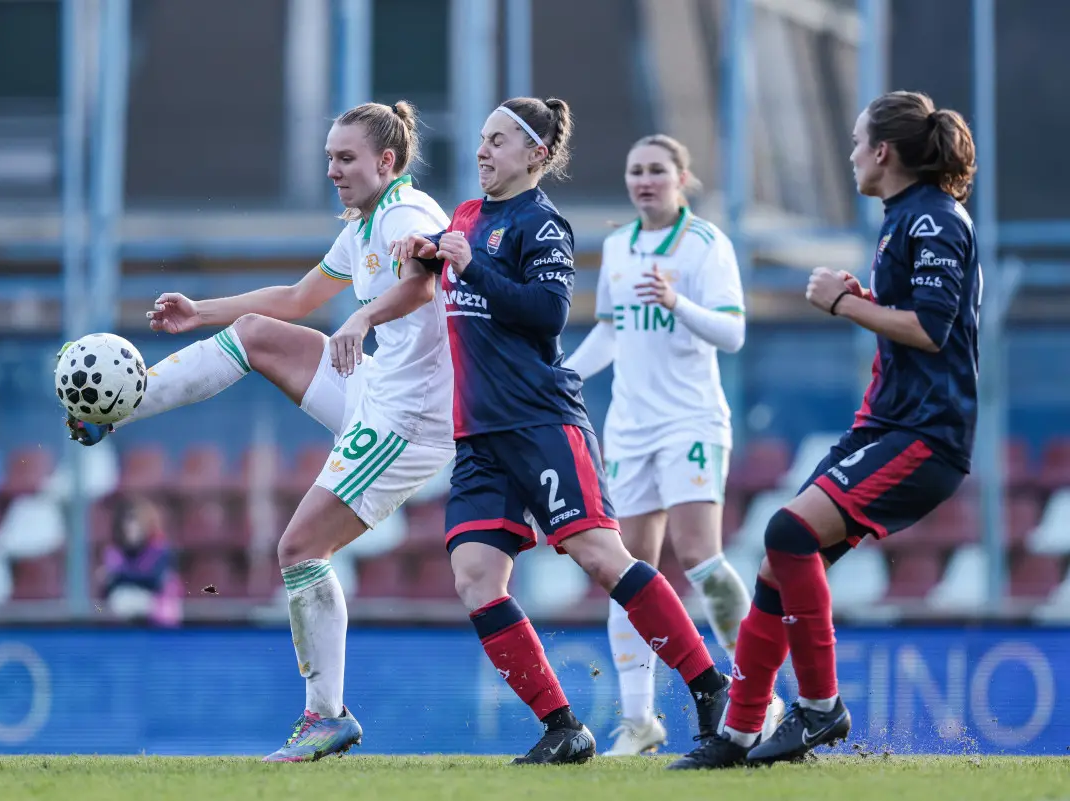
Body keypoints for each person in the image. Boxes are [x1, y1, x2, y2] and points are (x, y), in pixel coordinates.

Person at [65, 101, 456, 762]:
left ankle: (325, 715)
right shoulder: (364, 224)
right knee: (254, 335)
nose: (332, 169)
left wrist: (372, 308)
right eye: (329, 156)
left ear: (386, 162)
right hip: (376, 387)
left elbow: (425, 277)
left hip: (409, 417)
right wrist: (201, 312)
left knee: (300, 545)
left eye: (346, 158)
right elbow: (300, 299)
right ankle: (116, 407)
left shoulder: (404, 214)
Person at [390, 97, 732, 766]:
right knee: (474, 577)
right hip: (480, 435)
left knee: (603, 557)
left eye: (498, 141)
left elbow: (546, 313)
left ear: (535, 155)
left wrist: (472, 264)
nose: (482, 150)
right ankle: (564, 727)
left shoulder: (542, 225)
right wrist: (427, 257)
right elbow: (454, 281)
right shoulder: (466, 217)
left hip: (540, 421)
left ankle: (710, 686)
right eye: (482, 139)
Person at [670, 90, 981, 769]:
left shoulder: (933, 220)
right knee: (774, 563)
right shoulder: (905, 217)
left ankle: (819, 708)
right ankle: (740, 733)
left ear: (883, 152)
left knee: (788, 532)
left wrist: (844, 303)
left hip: (926, 433)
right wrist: (867, 300)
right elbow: (917, 317)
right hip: (888, 424)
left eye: (854, 142)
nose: (849, 156)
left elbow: (932, 328)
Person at [563, 134, 783, 755]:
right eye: (636, 171)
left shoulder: (706, 245)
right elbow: (610, 330)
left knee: (700, 557)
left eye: (657, 170)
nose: (645, 181)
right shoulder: (617, 246)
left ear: (682, 178)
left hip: (690, 422)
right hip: (630, 427)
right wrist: (566, 375)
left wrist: (677, 301)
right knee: (628, 571)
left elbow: (733, 332)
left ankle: (757, 698)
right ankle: (640, 720)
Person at [100, 496, 183, 627]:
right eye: (128, 522)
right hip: (124, 613)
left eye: (135, 522)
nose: (131, 528)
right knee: (119, 601)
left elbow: (155, 580)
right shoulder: (114, 551)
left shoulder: (161, 550)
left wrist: (121, 575)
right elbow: (108, 586)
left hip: (158, 611)